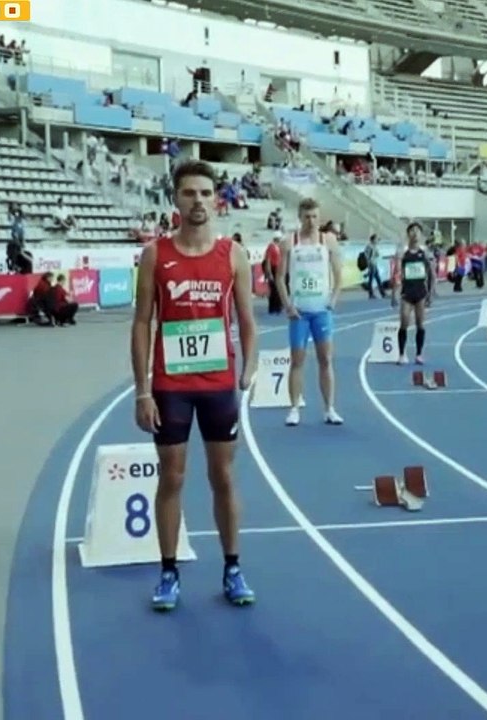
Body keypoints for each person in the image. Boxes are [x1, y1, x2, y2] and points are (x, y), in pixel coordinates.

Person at [131, 160, 258, 612]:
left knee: (222, 476)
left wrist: (250, 367)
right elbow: (142, 322)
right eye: (189, 193)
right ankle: (168, 572)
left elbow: (247, 320)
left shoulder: (233, 255)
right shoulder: (155, 254)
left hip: (218, 384)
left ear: (216, 199)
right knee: (172, 477)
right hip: (171, 386)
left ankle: (233, 567)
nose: (198, 200)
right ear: (176, 200)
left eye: (205, 192)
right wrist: (142, 390)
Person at [274, 198, 344, 427]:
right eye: (307, 217)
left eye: (315, 216)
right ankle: (294, 408)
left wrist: (333, 300)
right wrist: (288, 305)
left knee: (326, 359)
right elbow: (279, 278)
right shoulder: (289, 242)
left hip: (321, 311)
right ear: (299, 217)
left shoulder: (328, 240)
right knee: (297, 361)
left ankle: (329, 409)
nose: (311, 221)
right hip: (300, 313)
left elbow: (338, 275)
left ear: (319, 217)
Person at [392, 222, 435, 365]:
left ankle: (419, 354)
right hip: (407, 293)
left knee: (420, 324)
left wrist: (431, 293)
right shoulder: (403, 253)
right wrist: (394, 294)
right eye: (412, 231)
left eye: (417, 231)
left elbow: (432, 274)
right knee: (404, 322)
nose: (415, 234)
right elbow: (397, 274)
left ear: (421, 235)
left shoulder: (425, 253)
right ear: (408, 234)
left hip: (421, 293)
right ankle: (401, 354)